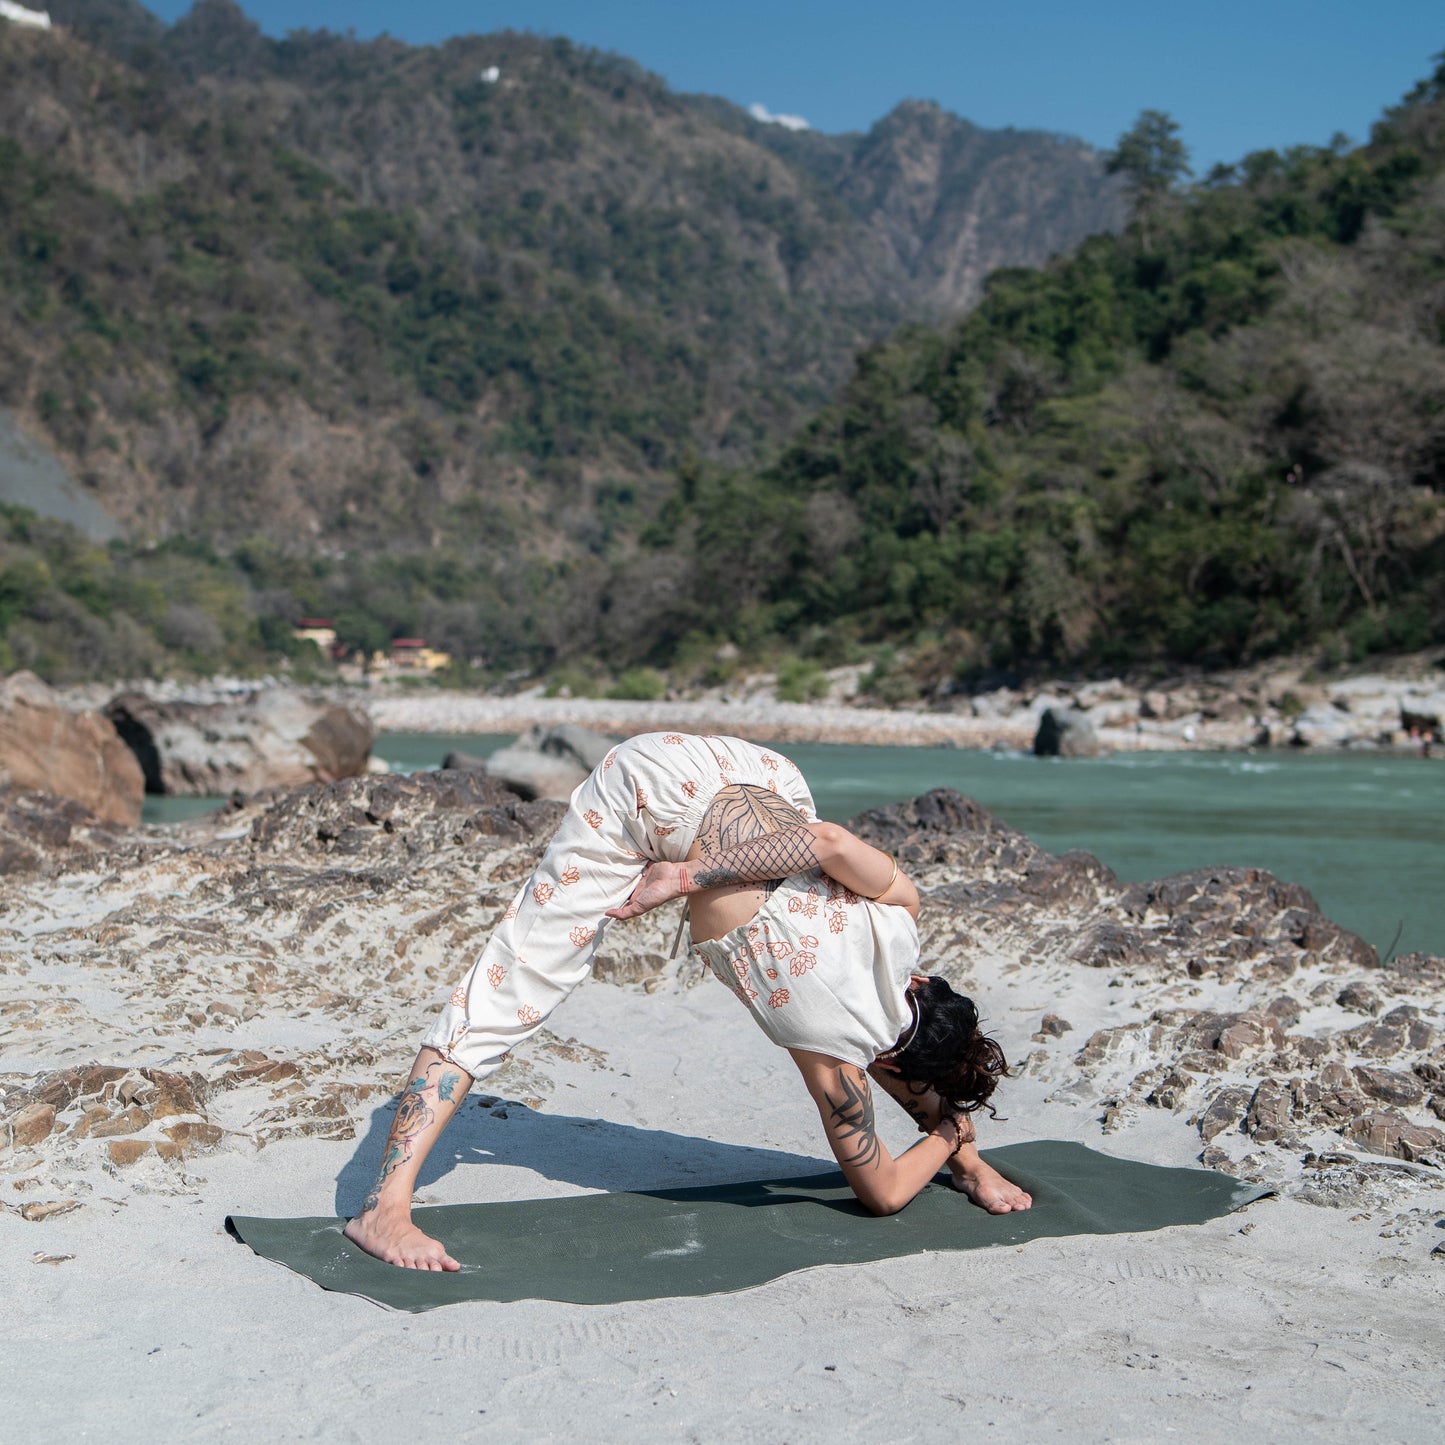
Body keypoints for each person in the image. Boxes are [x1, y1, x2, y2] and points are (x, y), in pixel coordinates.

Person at [344, 731, 1031, 1271]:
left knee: (838, 952)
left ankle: (971, 1162)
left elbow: (823, 839)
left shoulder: (903, 912)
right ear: (888, 1060)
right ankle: (383, 1208)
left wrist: (958, 1145)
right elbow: (880, 1192)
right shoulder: (835, 1056)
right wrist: (948, 1135)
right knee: (511, 986)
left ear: (922, 984)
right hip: (639, 794)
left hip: (753, 770)